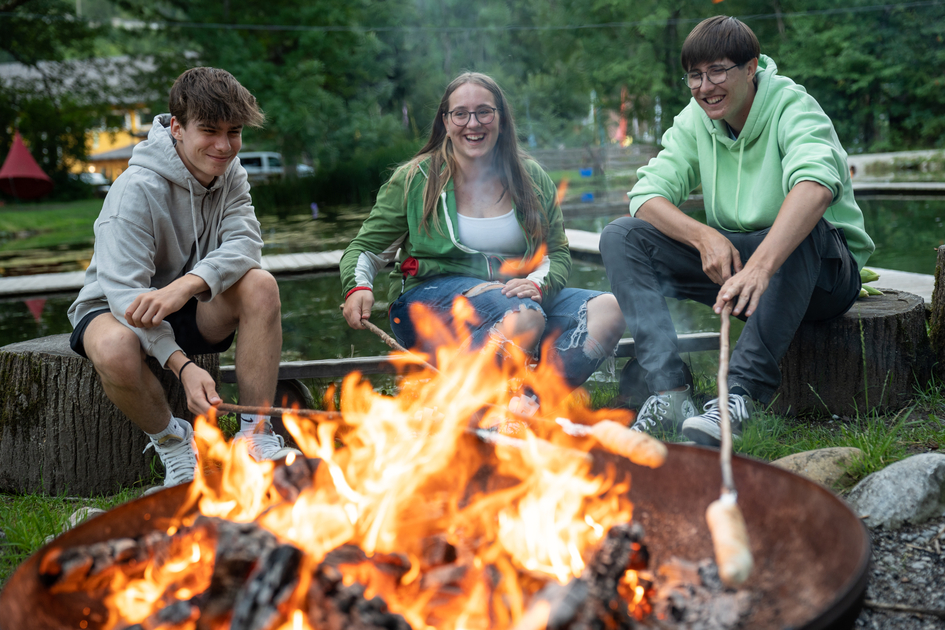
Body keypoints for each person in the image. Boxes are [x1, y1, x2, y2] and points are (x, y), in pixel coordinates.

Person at [600, 16, 874, 445]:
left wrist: (762, 266)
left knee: (803, 227)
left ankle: (738, 396)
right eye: (695, 75)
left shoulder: (792, 106)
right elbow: (646, 195)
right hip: (739, 270)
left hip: (822, 273)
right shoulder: (697, 119)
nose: (705, 86)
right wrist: (703, 236)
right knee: (622, 235)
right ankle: (670, 392)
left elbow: (816, 186)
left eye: (718, 71)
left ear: (751, 68)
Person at [68, 67, 300, 492]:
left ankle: (254, 436)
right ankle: (173, 442)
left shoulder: (231, 173)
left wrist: (186, 286)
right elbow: (128, 297)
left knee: (260, 284)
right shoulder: (134, 190)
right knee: (116, 347)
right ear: (176, 127)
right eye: (209, 130)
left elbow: (245, 244)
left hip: (187, 304)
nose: (224, 146)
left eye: (234, 132)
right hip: (116, 308)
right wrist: (183, 366)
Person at [341, 72, 625, 393]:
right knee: (525, 316)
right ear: (445, 123)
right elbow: (365, 249)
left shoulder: (531, 177)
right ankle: (472, 409)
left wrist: (537, 283)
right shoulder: (414, 179)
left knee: (611, 310)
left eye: (484, 112)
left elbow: (556, 252)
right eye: (460, 113)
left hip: (518, 300)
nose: (473, 123)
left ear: (501, 120)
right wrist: (358, 287)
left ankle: (531, 405)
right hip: (431, 307)